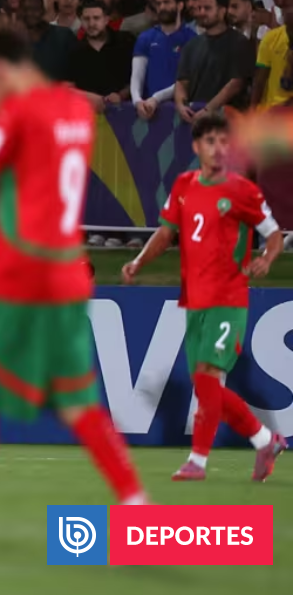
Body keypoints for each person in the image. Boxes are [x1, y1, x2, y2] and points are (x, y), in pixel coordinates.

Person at [0, 27, 147, 560]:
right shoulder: (74, 110)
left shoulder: (11, 113)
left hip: (18, 272)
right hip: (67, 273)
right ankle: (138, 510)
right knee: (77, 401)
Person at [122, 114, 287, 482]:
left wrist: (266, 258)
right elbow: (165, 234)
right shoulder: (184, 185)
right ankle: (265, 440)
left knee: (210, 377)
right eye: (210, 141)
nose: (218, 148)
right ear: (196, 147)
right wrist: (138, 261)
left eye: (224, 142)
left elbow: (274, 235)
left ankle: (197, 462)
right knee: (205, 386)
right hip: (194, 301)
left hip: (228, 299)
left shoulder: (243, 191)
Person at [174, 0, 254, 121]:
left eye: (207, 8)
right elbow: (182, 81)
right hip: (194, 116)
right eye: (199, 8)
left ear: (222, 11)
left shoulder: (239, 42)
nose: (201, 12)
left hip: (227, 119)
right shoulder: (191, 45)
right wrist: (181, 106)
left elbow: (236, 83)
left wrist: (209, 109)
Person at [131, 0, 196, 121]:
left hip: (180, 112)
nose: (162, 7)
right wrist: (137, 101)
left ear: (180, 5)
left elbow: (188, 79)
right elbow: (137, 76)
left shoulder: (192, 38)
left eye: (167, 2)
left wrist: (157, 98)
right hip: (148, 110)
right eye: (158, 3)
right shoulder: (145, 37)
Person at [69, 0, 133, 112]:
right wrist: (89, 98)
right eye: (86, 19)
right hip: (88, 112)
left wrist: (121, 95)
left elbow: (139, 77)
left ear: (106, 20)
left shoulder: (126, 41)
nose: (91, 24)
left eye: (96, 18)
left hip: (126, 111)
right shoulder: (74, 50)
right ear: (81, 21)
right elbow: (69, 86)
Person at [21, 0, 75, 82]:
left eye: (35, 9)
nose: (29, 13)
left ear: (43, 10)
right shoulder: (12, 39)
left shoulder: (64, 36)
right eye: (25, 9)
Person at [253, 0, 293, 109]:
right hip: (271, 112)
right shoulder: (270, 38)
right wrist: (251, 112)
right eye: (286, 7)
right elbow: (259, 82)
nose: (289, 12)